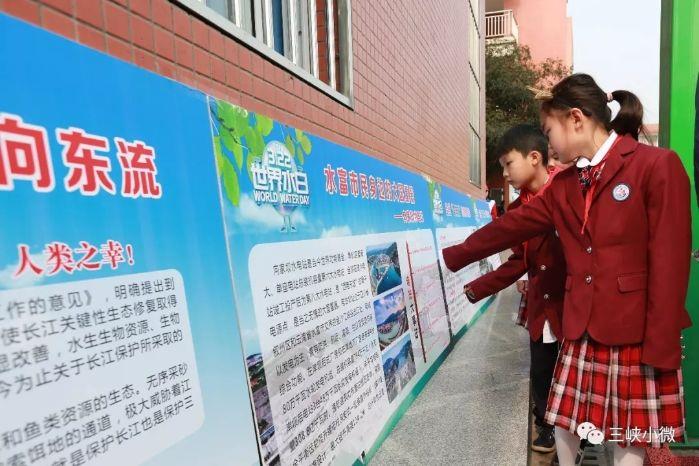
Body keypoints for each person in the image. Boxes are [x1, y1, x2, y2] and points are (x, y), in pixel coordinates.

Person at [442, 74, 692, 466]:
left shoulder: (656, 165)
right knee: (564, 420)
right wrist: (455, 255)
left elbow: (671, 261)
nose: (549, 144)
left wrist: (661, 342)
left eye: (549, 131)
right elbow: (513, 226)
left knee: (627, 435)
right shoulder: (563, 186)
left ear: (576, 118)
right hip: (579, 326)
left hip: (635, 330)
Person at [463, 124, 566, 454]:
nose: (505, 174)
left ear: (534, 158)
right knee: (541, 369)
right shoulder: (519, 209)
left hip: (573, 304)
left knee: (570, 372)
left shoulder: (568, 190)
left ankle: (575, 432)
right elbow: (520, 258)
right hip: (541, 305)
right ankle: (545, 425)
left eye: (508, 164)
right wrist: (477, 288)